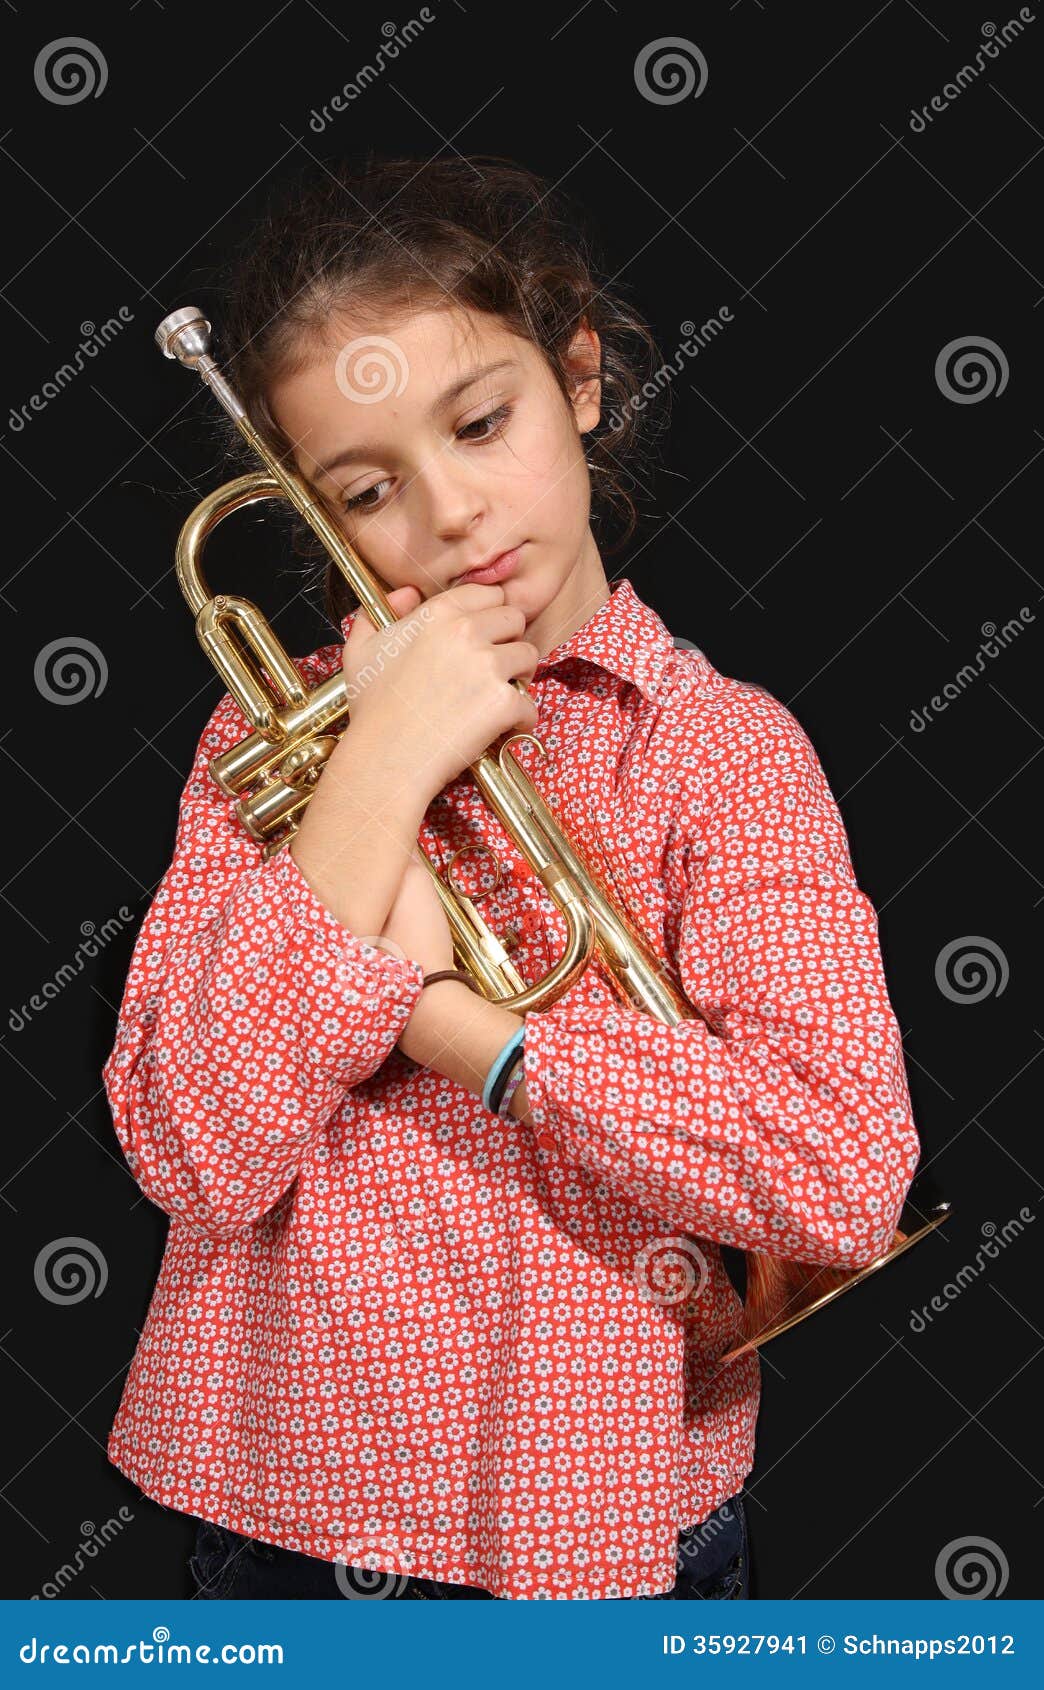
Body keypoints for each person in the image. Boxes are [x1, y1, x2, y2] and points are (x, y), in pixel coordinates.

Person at [101, 153, 921, 1601]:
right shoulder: (258, 731)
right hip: (271, 1508)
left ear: (584, 377)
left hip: (592, 1530)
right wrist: (372, 774)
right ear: (310, 513)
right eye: (369, 488)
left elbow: (841, 1176)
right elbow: (187, 1146)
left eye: (482, 423)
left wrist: (445, 1021)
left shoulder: (721, 751)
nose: (455, 514)